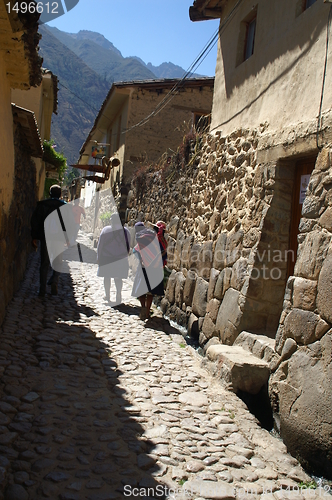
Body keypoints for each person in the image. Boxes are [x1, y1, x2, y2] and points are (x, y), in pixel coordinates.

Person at [31, 184, 66, 296]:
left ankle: (42, 290)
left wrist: (34, 237)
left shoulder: (42, 206)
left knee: (44, 263)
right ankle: (54, 280)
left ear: (50, 194)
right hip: (59, 239)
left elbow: (35, 222)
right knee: (58, 262)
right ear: (60, 194)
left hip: (46, 238)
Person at [132, 221, 167, 320]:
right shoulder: (163, 242)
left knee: (142, 290)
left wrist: (142, 258)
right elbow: (165, 257)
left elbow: (135, 250)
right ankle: (147, 312)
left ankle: (143, 309)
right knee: (151, 292)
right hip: (155, 269)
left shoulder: (146, 237)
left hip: (144, 267)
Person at [97, 214, 130, 303]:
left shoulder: (106, 230)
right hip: (120, 258)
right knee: (118, 278)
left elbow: (100, 245)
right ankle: (118, 294)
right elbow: (128, 245)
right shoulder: (126, 231)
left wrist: (98, 257)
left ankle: (107, 295)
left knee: (107, 277)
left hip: (107, 257)